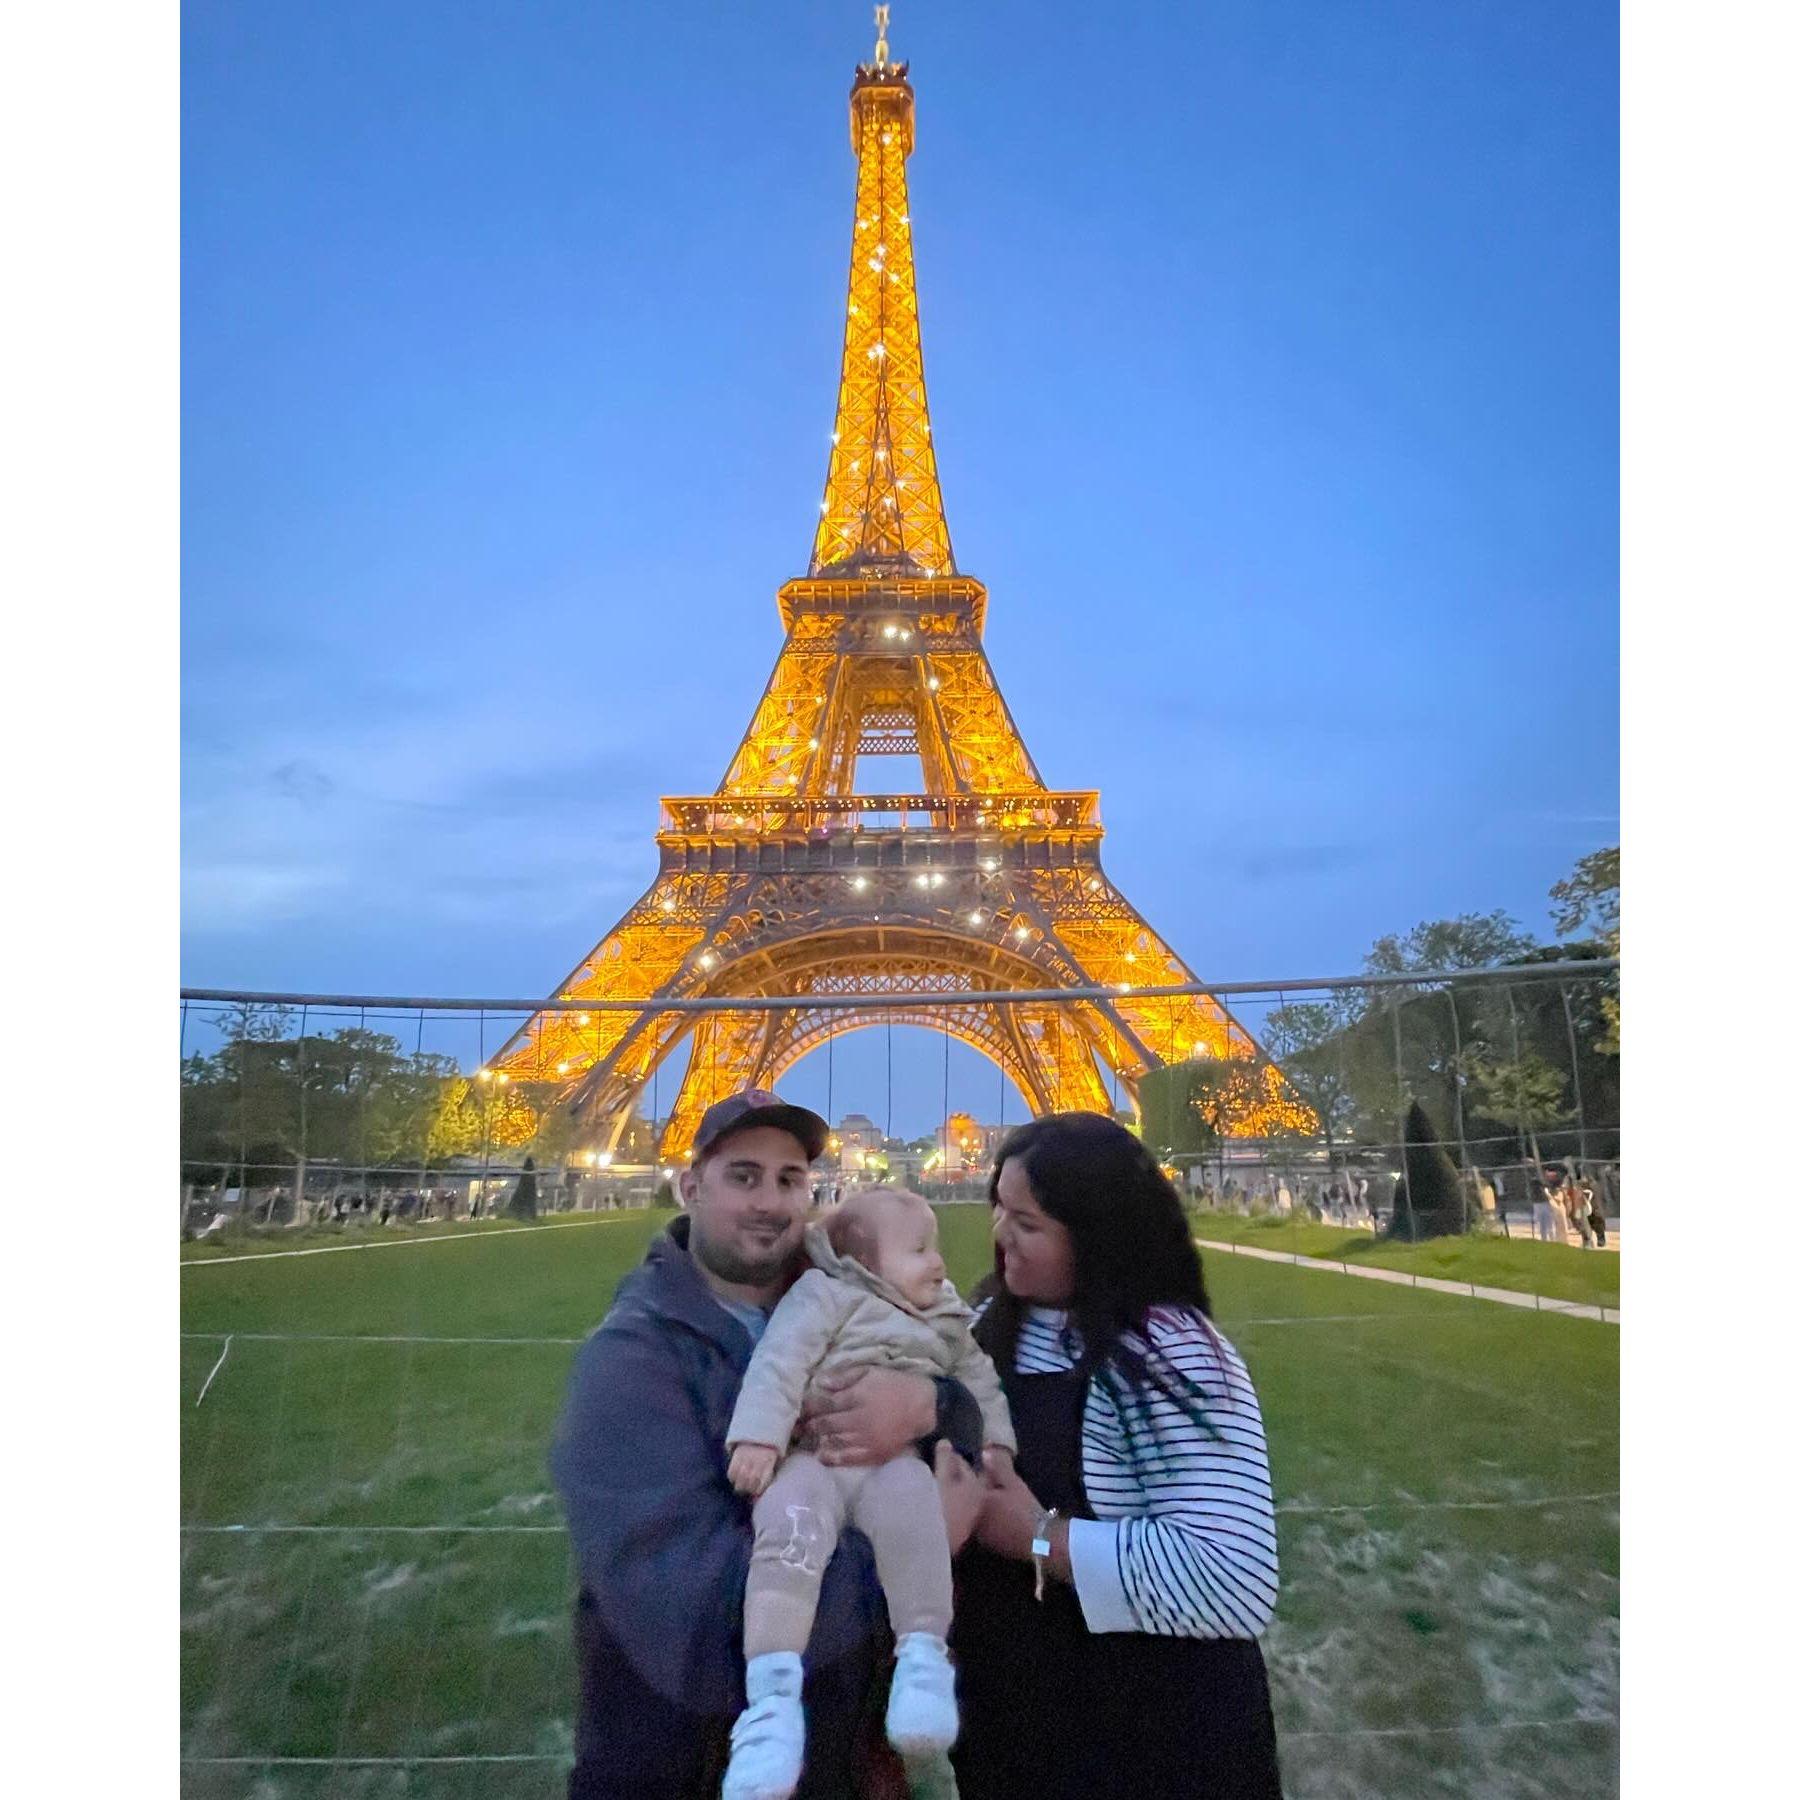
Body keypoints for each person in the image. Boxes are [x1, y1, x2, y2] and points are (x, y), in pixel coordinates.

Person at [549, 1090, 985, 1800]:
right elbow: (686, 1608)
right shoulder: (629, 1360)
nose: (770, 1202)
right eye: (743, 1176)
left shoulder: (842, 1300)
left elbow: (954, 1389)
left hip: (831, 1758)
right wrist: (927, 1542)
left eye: (789, 1181)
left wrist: (929, 1405)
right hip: (680, 1767)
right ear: (689, 1187)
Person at [951, 1111, 1283, 1800]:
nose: (999, 1235)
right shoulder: (983, 1325)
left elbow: (1234, 1580)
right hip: (1014, 1733)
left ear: (1099, 1234)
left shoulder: (1171, 1352)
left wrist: (1039, 1539)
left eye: (1028, 1223)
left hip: (1153, 1739)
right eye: (998, 1209)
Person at [721, 1188, 1016, 1800]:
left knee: (917, 1523)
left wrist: (995, 1448)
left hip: (894, 1465)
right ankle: (771, 1698)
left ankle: (923, 1658)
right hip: (812, 1458)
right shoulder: (825, 1295)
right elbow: (780, 1361)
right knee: (787, 1528)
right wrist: (758, 1439)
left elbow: (979, 1379)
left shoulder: (945, 1315)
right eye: (918, 1250)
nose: (938, 1263)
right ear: (862, 1263)